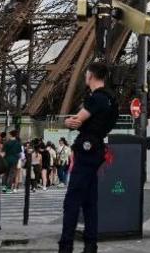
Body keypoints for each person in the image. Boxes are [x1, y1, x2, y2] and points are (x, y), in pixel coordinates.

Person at [59, 61, 118, 253]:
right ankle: (91, 245)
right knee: (90, 201)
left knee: (72, 199)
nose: (85, 76)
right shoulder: (111, 99)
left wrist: (69, 122)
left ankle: (66, 245)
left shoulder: (96, 98)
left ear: (91, 76)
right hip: (98, 147)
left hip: (86, 148)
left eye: (86, 74)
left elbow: (77, 120)